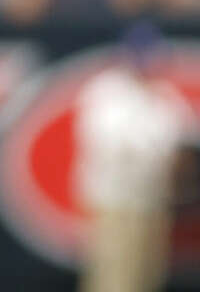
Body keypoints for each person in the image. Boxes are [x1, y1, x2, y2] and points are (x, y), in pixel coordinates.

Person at [75, 22, 193, 292]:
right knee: (114, 276)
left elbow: (181, 135)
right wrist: (161, 155)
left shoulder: (161, 96)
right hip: (115, 201)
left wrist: (177, 157)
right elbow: (111, 143)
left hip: (152, 200)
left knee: (146, 276)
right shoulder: (106, 92)